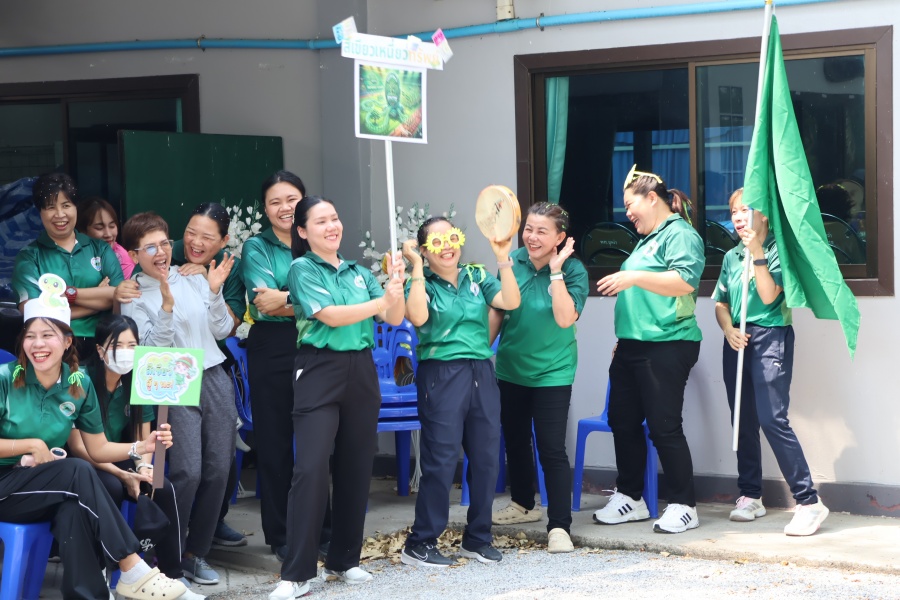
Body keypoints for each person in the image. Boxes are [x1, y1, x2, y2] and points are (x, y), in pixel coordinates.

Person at [0, 290, 185, 600]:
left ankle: (89, 595)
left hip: (35, 486)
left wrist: (141, 447)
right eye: (30, 336)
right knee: (76, 470)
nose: (38, 344)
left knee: (73, 510)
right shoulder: (5, 378)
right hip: (5, 483)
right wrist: (29, 444)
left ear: (67, 341)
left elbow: (98, 448)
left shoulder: (78, 383)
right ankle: (132, 568)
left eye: (47, 335)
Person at [269, 196, 406, 600]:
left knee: (356, 464)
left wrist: (396, 286)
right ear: (302, 231)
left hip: (361, 369)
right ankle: (296, 573)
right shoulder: (301, 268)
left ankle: (345, 560)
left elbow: (393, 318)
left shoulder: (359, 272)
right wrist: (381, 301)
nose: (332, 226)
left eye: (335, 218)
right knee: (310, 468)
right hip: (318, 368)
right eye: (321, 221)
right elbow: (328, 314)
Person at [118, 212, 237, 586]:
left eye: (164, 243)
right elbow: (150, 350)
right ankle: (169, 555)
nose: (161, 252)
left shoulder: (192, 276)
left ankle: (195, 553)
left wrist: (214, 291)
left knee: (220, 469)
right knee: (187, 472)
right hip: (172, 378)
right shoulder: (133, 295)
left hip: (213, 373)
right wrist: (166, 307)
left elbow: (222, 329)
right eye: (150, 247)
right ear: (134, 254)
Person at [399, 217, 520, 568]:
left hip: (481, 369)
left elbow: (510, 301)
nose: (447, 247)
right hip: (442, 373)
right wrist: (416, 267)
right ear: (424, 250)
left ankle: (478, 538)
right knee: (440, 459)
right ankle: (420, 542)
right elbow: (418, 318)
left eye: (452, 237)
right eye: (436, 243)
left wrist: (503, 257)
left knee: (486, 459)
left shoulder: (476, 275)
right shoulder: (419, 282)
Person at [592, 165, 705, 534]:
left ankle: (684, 505)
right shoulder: (647, 238)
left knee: (664, 426)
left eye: (630, 205)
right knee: (622, 421)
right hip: (631, 345)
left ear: (652, 198)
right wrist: (625, 337)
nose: (627, 213)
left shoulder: (680, 234)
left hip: (668, 343)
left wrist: (634, 276)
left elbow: (684, 281)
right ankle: (631, 497)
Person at [713, 188, 829, 536]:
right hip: (737, 339)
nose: (738, 217)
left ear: (763, 214)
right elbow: (720, 303)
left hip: (770, 335)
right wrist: (728, 328)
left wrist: (758, 253)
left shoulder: (778, 250)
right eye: (733, 211)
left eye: (745, 209)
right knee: (742, 419)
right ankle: (750, 495)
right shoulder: (731, 256)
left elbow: (767, 296)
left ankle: (808, 501)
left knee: (772, 418)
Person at [67, 313, 205, 598]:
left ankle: (173, 575)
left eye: (132, 345)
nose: (126, 353)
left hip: (123, 456)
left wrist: (143, 469)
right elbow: (80, 447)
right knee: (110, 487)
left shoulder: (140, 380)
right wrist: (122, 474)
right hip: (84, 463)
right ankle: (103, 573)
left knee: (162, 487)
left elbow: (143, 438)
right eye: (118, 345)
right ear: (100, 350)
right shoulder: (81, 380)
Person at [240, 171, 332, 562]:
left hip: (316, 343)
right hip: (274, 346)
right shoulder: (257, 247)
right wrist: (312, 300)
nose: (284, 208)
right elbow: (264, 303)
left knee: (317, 442)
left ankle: (323, 531)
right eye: (275, 201)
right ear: (265, 209)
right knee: (275, 442)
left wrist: (289, 299)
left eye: (291, 199)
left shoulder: (317, 238)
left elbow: (336, 292)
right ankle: (280, 534)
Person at [489, 202, 588, 554]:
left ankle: (559, 526)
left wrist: (556, 272)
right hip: (511, 368)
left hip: (553, 372)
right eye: (528, 228)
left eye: (542, 231)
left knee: (551, 448)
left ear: (560, 237)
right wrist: (479, 351)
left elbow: (565, 318)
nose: (531, 237)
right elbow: (497, 310)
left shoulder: (574, 270)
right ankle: (523, 504)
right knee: (515, 440)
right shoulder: (511, 261)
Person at [173, 202, 247, 547]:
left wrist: (207, 282)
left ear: (223, 241)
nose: (195, 243)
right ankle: (172, 543)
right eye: (191, 233)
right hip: (170, 368)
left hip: (212, 361)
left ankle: (208, 531)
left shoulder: (230, 266)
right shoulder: (166, 254)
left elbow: (228, 327)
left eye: (206, 237)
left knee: (220, 461)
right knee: (186, 467)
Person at [12, 172, 127, 355]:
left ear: (75, 208)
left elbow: (119, 296)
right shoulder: (29, 257)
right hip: (54, 350)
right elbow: (33, 312)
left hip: (102, 347)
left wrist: (66, 295)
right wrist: (96, 305)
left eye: (66, 205)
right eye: (51, 207)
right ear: (40, 212)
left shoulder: (100, 249)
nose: (60, 214)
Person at [77, 195, 136, 279]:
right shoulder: (72, 253)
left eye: (112, 226)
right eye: (99, 228)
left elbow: (118, 287)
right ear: (82, 231)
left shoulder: (123, 260)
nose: (108, 234)